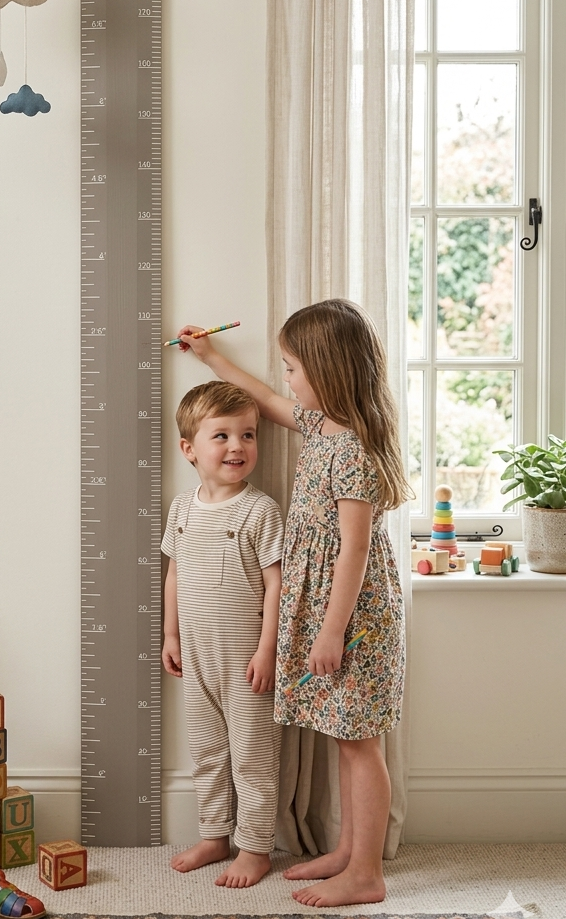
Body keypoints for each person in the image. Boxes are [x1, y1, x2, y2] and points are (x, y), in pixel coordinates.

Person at [175, 299, 408, 908]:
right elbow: (260, 396)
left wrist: (331, 633)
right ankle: (348, 850)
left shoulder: (352, 449)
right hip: (329, 612)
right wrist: (210, 356)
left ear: (326, 373)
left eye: (292, 368)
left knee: (360, 743)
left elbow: (353, 553)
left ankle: (366, 873)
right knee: (344, 736)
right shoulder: (317, 426)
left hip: (353, 618)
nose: (285, 380)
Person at [161, 380, 283, 888]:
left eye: (249, 435)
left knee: (253, 755)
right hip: (197, 656)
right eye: (223, 436)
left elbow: (278, 582)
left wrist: (268, 649)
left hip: (247, 661)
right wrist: (170, 634)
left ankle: (255, 846)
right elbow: (174, 572)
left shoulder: (261, 511)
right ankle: (214, 834)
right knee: (208, 750)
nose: (238, 447)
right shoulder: (182, 509)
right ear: (189, 449)